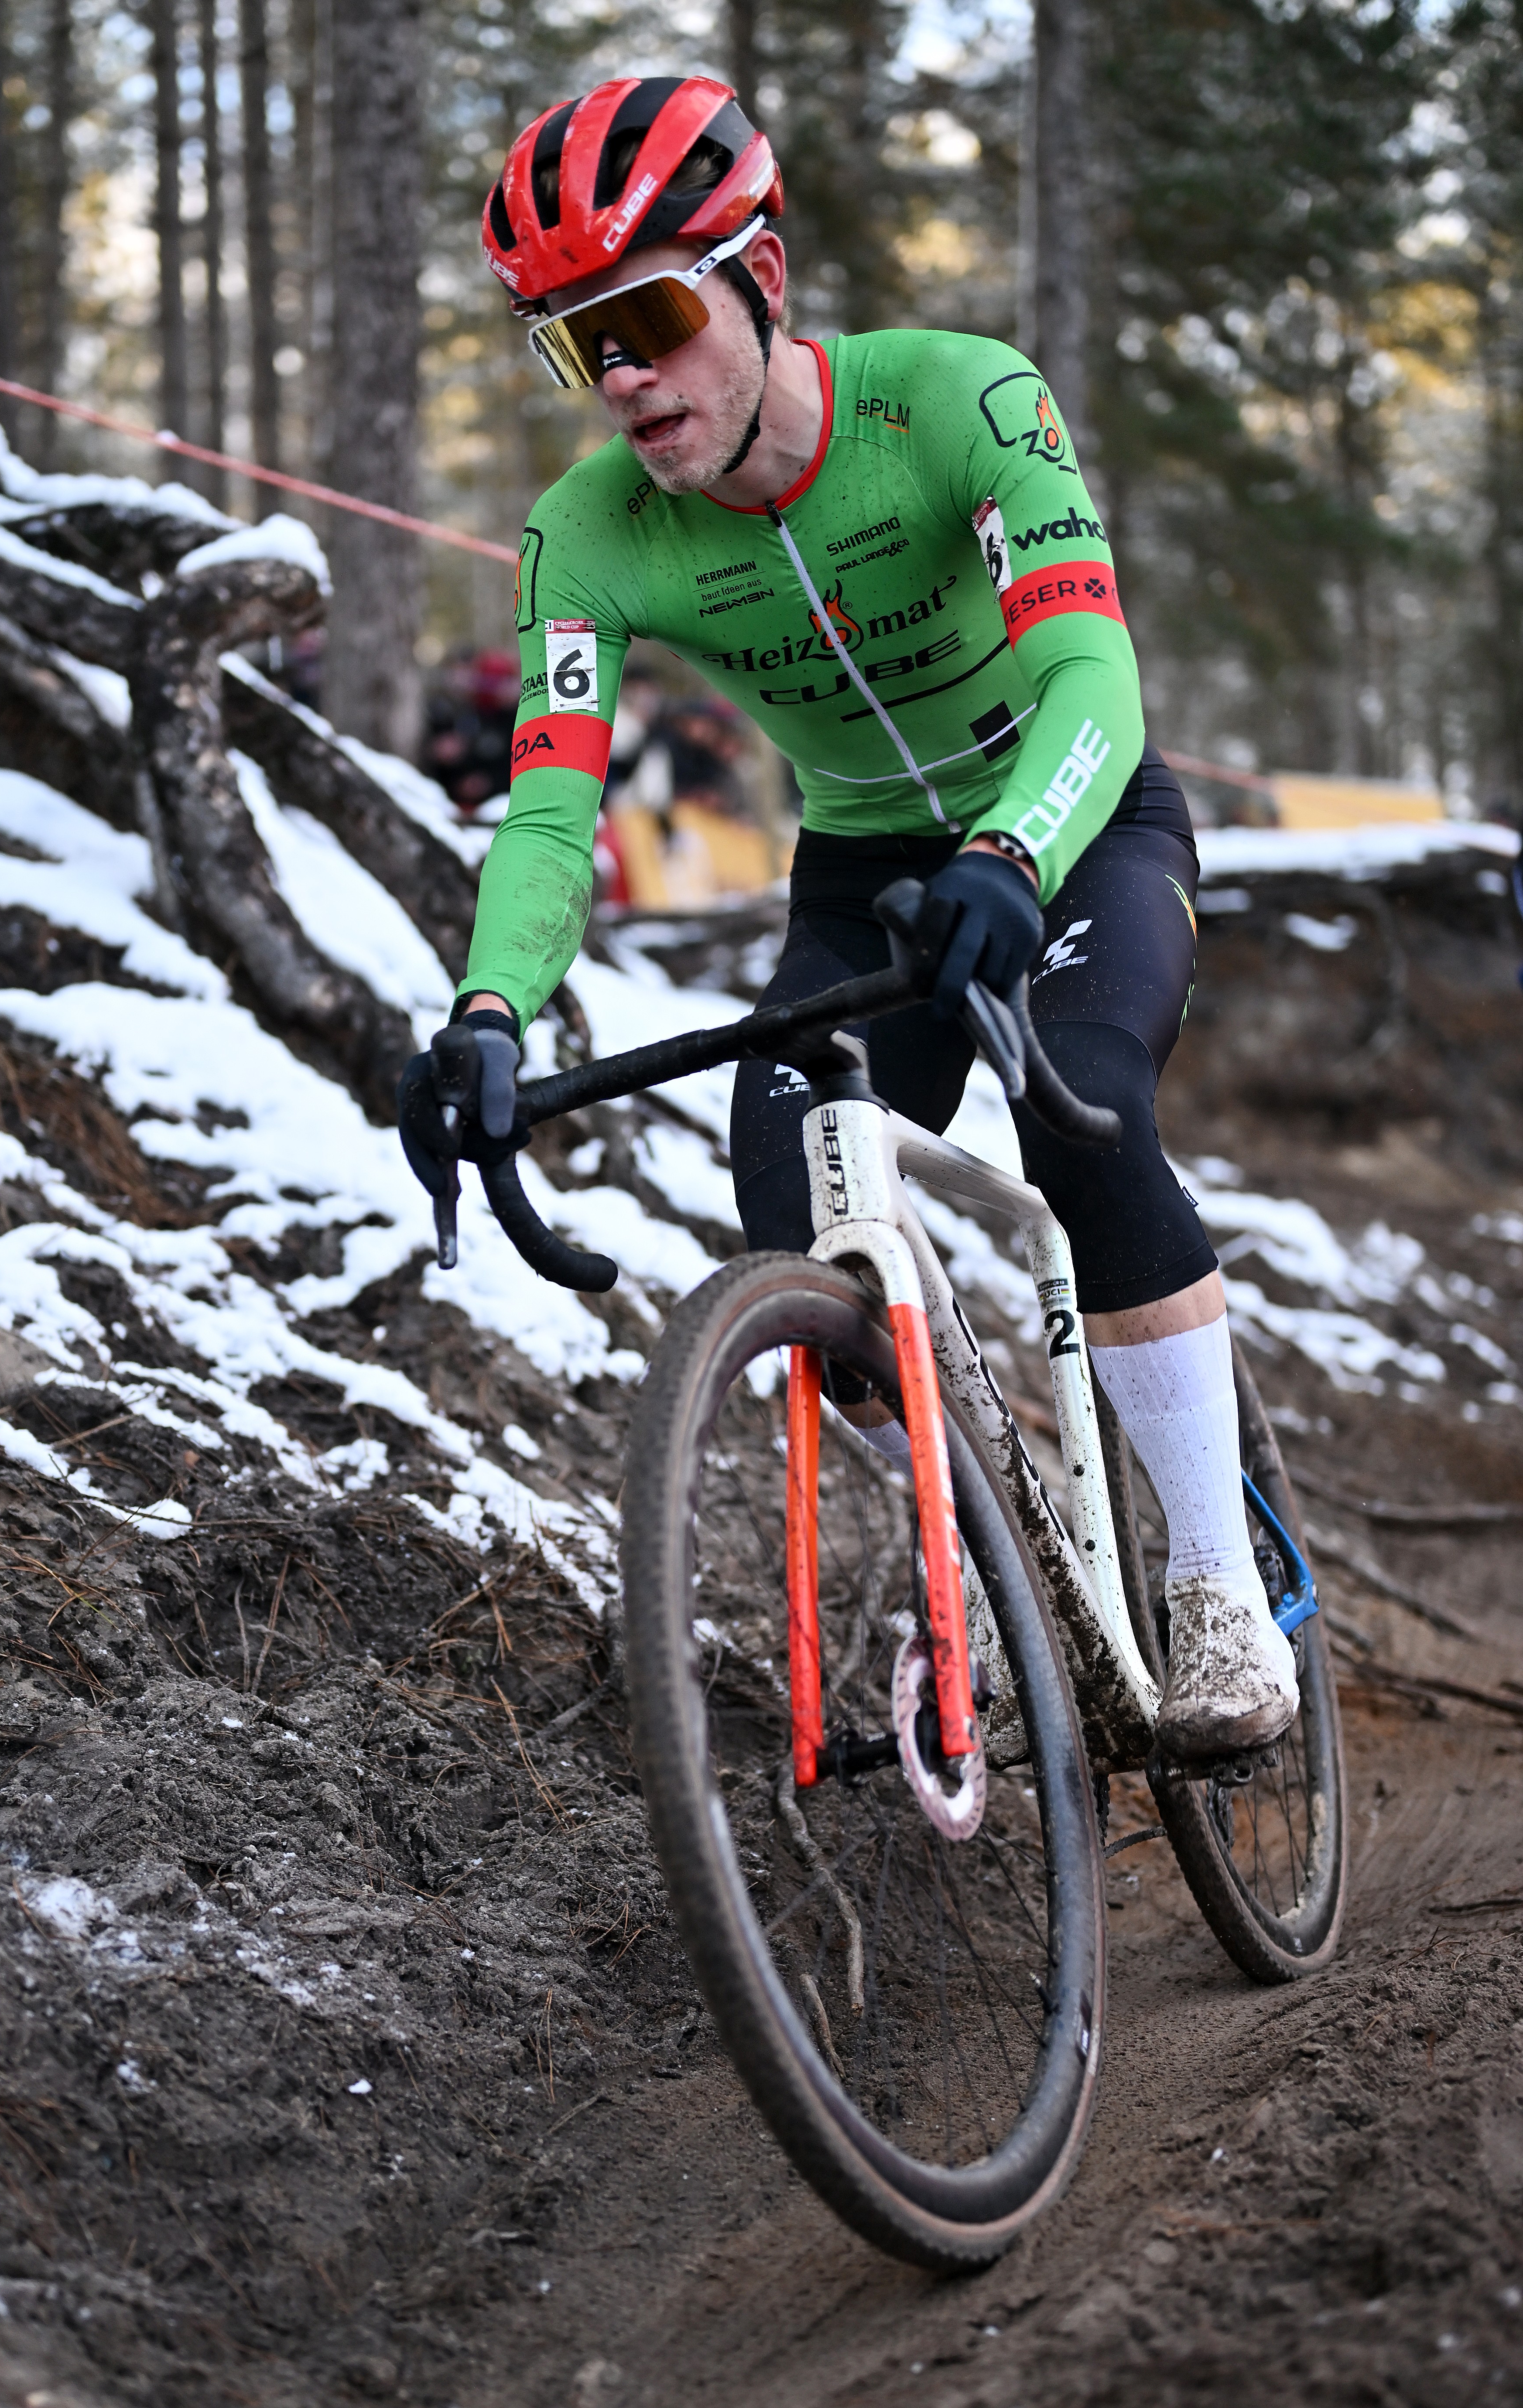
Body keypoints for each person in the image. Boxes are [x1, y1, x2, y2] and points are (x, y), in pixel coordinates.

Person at [402, 72, 1295, 1765]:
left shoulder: (957, 400)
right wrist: (488, 1014)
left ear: (763, 277)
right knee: (786, 1184)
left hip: (1072, 816)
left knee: (1080, 1105)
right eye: (582, 347)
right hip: (870, 869)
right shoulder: (584, 539)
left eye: (654, 315)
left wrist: (1021, 853)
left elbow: (1093, 673)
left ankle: (1213, 1578)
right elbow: (551, 809)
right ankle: (976, 1552)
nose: (631, 380)